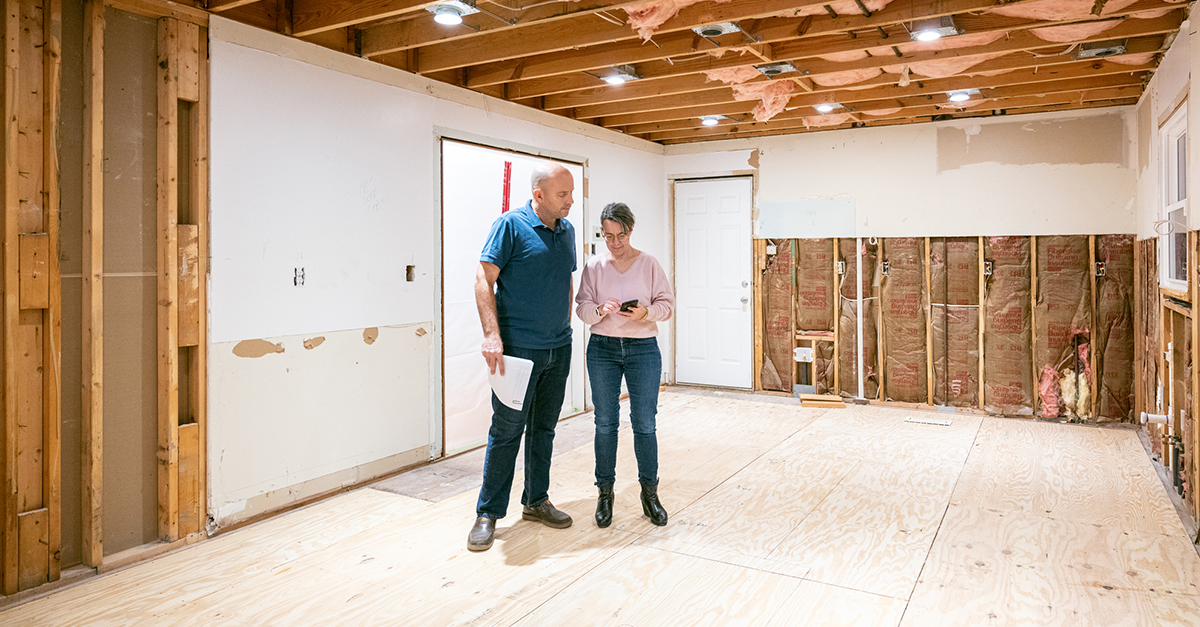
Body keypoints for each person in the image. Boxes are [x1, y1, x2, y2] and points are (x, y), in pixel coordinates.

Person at [468, 163, 577, 552]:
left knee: (544, 429)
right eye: (562, 194)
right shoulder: (510, 226)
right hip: (518, 350)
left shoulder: (567, 230)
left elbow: (565, 279)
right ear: (538, 195)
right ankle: (488, 513)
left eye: (571, 193)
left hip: (557, 348)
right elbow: (484, 279)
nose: (570, 201)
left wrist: (564, 326)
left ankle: (535, 500)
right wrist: (491, 335)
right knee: (507, 430)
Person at [575, 202, 675, 528]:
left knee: (644, 423)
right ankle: (605, 494)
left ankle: (650, 494)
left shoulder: (649, 264)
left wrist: (645, 312)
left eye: (620, 235)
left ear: (631, 231)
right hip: (602, 349)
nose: (615, 243)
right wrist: (600, 310)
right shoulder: (594, 267)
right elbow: (582, 308)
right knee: (605, 423)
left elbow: (667, 305)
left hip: (642, 349)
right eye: (608, 236)